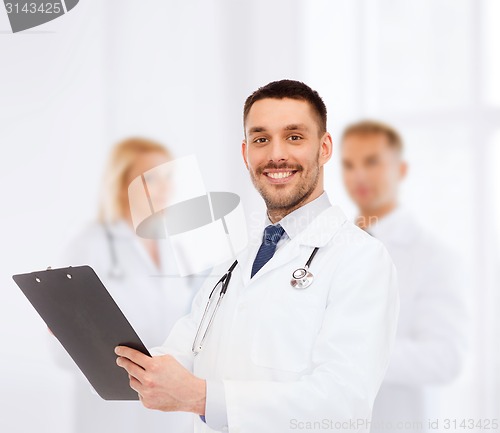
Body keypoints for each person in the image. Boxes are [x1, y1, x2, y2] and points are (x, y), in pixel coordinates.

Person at [114, 80, 400, 433]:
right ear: (246, 152)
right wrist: (98, 339)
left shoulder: (360, 259)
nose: (276, 154)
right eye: (261, 139)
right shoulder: (233, 265)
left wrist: (204, 398)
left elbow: (342, 404)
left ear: (324, 148)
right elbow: (180, 356)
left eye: (294, 137)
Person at [49, 137, 200, 433]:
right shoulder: (89, 243)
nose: (165, 188)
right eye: (152, 179)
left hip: (170, 403)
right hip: (110, 409)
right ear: (121, 184)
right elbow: (62, 344)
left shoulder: (175, 248)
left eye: (168, 178)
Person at [340, 120, 469, 432]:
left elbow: (445, 357)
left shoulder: (433, 255)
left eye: (372, 162)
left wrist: (352, 357)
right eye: (348, 164)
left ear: (401, 170)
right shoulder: (332, 245)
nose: (358, 175)